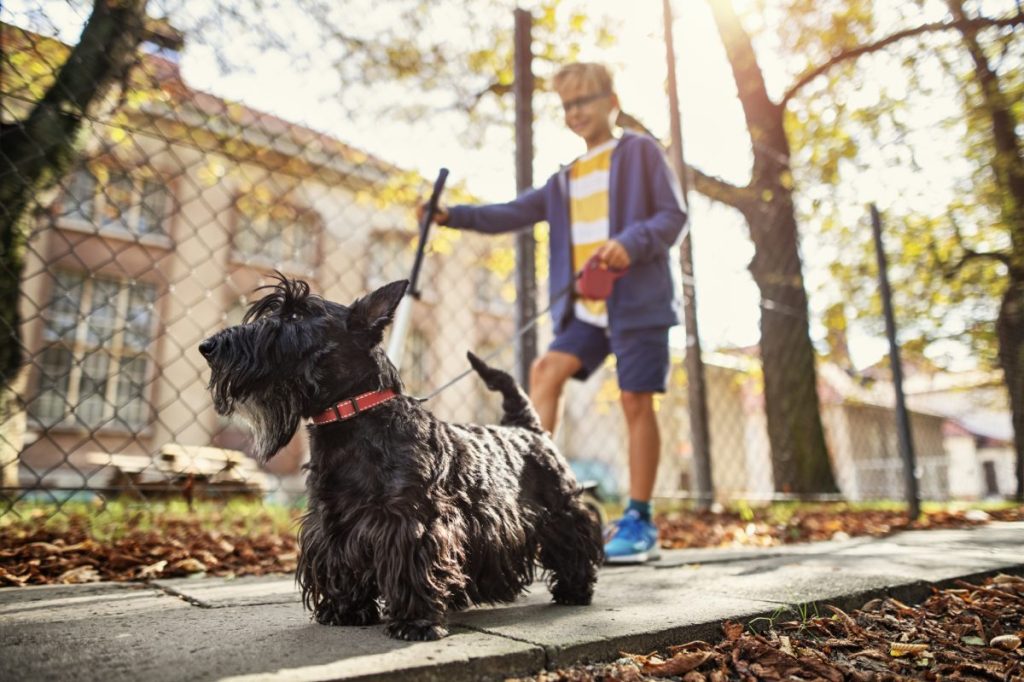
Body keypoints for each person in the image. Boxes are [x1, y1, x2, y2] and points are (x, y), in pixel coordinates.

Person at [418, 62, 687, 563]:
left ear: (612, 100)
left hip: (638, 301)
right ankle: (539, 496)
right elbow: (511, 213)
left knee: (635, 400)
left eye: (585, 100)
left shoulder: (639, 152)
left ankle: (641, 520)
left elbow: (673, 216)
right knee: (546, 370)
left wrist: (632, 242)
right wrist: (452, 216)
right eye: (567, 105)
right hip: (584, 308)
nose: (576, 111)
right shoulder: (565, 179)